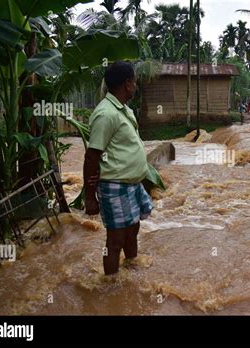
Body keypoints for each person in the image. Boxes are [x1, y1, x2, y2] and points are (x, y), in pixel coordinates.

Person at [84, 61, 154, 275]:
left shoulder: (123, 110)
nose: (136, 85)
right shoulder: (106, 114)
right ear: (127, 84)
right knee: (115, 241)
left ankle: (131, 272)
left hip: (132, 185)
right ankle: (110, 287)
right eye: (135, 81)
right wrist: (89, 196)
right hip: (115, 186)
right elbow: (92, 156)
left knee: (132, 231)